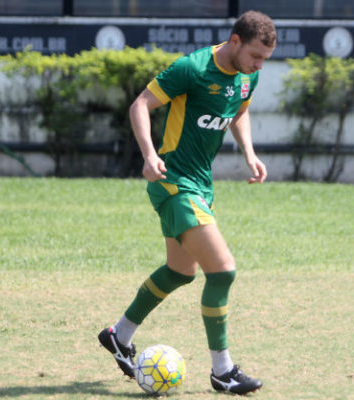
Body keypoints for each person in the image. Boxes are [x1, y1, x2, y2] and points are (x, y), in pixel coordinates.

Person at [98, 10, 276, 395]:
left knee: (180, 272)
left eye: (264, 59)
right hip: (174, 182)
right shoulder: (192, 69)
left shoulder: (248, 75)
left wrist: (249, 153)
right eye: (255, 56)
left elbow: (239, 112)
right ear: (234, 42)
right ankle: (222, 370)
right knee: (223, 270)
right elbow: (140, 105)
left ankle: (119, 334)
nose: (259, 65)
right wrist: (148, 155)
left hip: (200, 185)